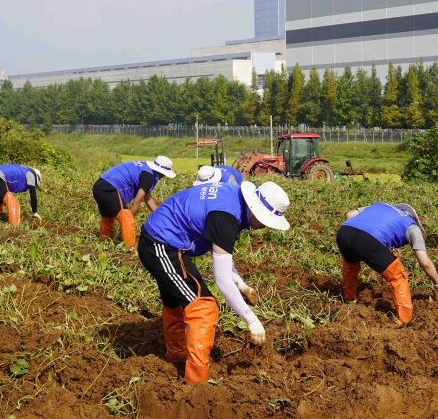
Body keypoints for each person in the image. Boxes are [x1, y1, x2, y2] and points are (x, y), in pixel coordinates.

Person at [138, 180, 290, 384]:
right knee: (202, 306)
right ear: (256, 211)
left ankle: (177, 357)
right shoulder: (226, 218)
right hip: (161, 244)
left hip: (165, 239)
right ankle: (197, 384)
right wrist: (252, 321)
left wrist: (241, 284)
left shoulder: (232, 197)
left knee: (177, 300)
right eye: (265, 221)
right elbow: (222, 280)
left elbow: (221, 254)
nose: (262, 227)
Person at [337, 202, 438, 323]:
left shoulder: (380, 205)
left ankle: (350, 300)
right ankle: (404, 320)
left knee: (351, 265)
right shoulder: (412, 226)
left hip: (343, 234)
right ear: (414, 218)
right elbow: (425, 263)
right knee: (397, 276)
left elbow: (349, 215)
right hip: (368, 241)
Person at [93, 157, 176, 247]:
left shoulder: (145, 169)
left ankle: (104, 241)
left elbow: (148, 198)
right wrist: (128, 223)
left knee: (107, 217)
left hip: (98, 187)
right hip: (109, 188)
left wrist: (160, 214)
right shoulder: (149, 176)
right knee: (126, 216)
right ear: (162, 172)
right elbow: (136, 202)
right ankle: (130, 247)